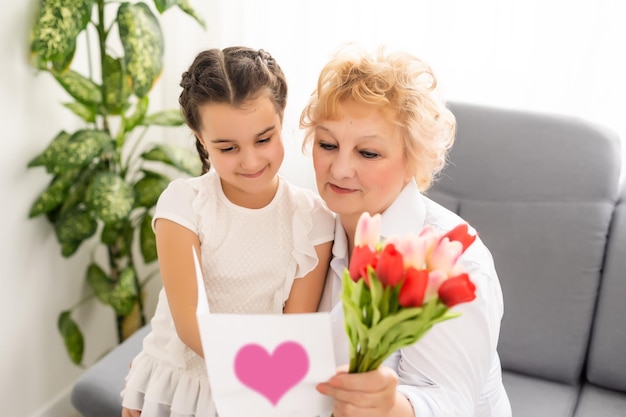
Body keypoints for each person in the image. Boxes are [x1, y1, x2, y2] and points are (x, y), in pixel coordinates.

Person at [120, 46, 335, 417]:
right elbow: (190, 326)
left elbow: (294, 332)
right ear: (201, 139)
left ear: (282, 118)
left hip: (262, 392)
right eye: (227, 147)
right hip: (179, 385)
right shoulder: (184, 205)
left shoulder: (313, 219)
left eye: (264, 139)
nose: (250, 161)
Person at [301, 45, 512, 417]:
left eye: (368, 153)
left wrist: (389, 406)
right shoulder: (313, 228)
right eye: (327, 145)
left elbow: (449, 402)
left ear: (414, 159)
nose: (339, 170)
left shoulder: (455, 260)